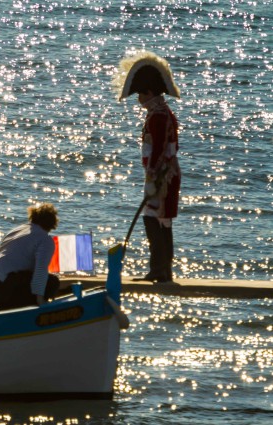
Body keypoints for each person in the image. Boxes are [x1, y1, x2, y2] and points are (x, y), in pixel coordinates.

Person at [114, 51, 182, 283]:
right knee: (162, 221)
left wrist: (154, 176)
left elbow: (159, 150)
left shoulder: (158, 116)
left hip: (161, 176)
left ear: (149, 92)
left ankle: (158, 270)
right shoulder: (161, 113)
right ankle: (163, 270)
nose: (139, 99)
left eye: (141, 94)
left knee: (154, 219)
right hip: (164, 175)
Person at [0, 203, 63, 310]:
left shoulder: (18, 230)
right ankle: (35, 311)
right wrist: (40, 300)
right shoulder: (45, 239)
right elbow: (40, 271)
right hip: (1, 285)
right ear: (52, 223)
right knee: (52, 282)